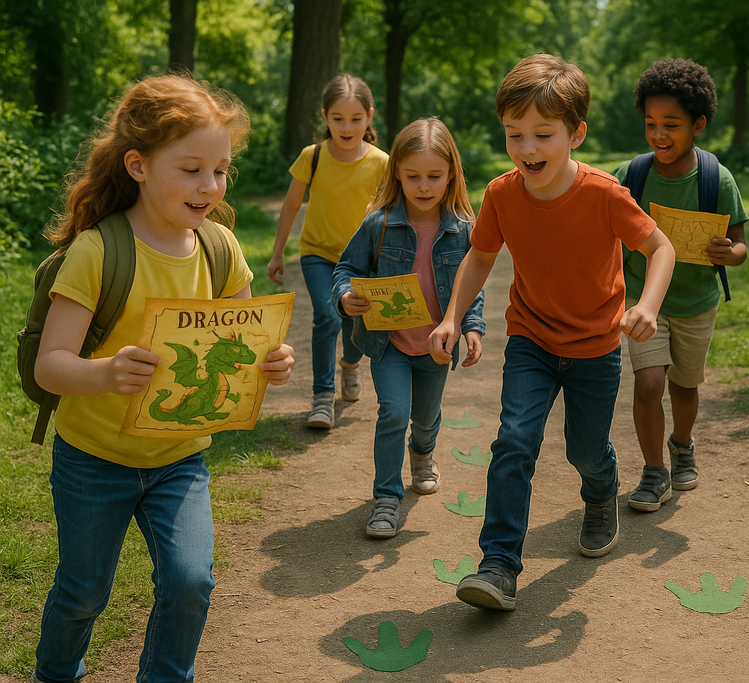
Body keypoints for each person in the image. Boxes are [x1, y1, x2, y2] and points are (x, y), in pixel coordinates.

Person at [31, 74, 295, 683]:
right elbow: (52, 364)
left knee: (190, 582)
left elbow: (248, 337)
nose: (211, 186)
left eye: (221, 171)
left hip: (180, 458)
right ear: (139, 165)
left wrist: (270, 362)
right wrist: (106, 371)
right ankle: (55, 673)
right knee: (83, 594)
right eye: (192, 169)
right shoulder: (97, 251)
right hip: (93, 458)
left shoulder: (220, 248)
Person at [427, 54, 676, 611]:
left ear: (576, 134)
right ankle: (498, 564)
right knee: (514, 439)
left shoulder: (603, 193)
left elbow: (662, 248)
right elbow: (479, 258)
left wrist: (648, 305)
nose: (527, 148)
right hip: (531, 341)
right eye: (514, 135)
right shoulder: (501, 194)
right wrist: (449, 317)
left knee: (585, 452)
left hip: (595, 347)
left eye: (543, 134)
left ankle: (600, 492)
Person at [334, 117, 485, 539]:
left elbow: (471, 286)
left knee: (425, 417)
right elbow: (345, 268)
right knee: (393, 413)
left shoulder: (463, 229)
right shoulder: (378, 224)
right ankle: (386, 497)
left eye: (434, 176)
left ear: (451, 173)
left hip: (438, 346)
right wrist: (346, 297)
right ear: (396, 172)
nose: (423, 186)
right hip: (388, 345)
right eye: (413, 175)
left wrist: (472, 328)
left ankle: (423, 454)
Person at [613, 58, 748, 513]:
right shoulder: (631, 175)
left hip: (696, 301)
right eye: (651, 123)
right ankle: (654, 471)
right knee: (648, 383)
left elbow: (741, 243)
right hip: (641, 297)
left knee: (685, 387)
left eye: (671, 124)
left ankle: (682, 444)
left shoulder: (716, 178)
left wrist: (731, 253)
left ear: (699, 124)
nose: (658, 134)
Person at [269, 73, 389, 429]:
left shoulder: (382, 162)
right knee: (327, 315)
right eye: (338, 118)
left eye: (355, 119)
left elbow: (391, 212)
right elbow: (290, 206)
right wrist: (277, 254)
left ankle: (350, 365)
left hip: (360, 260)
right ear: (325, 117)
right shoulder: (313, 156)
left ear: (369, 116)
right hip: (318, 254)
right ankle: (322, 397)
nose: (346, 126)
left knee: (357, 319)